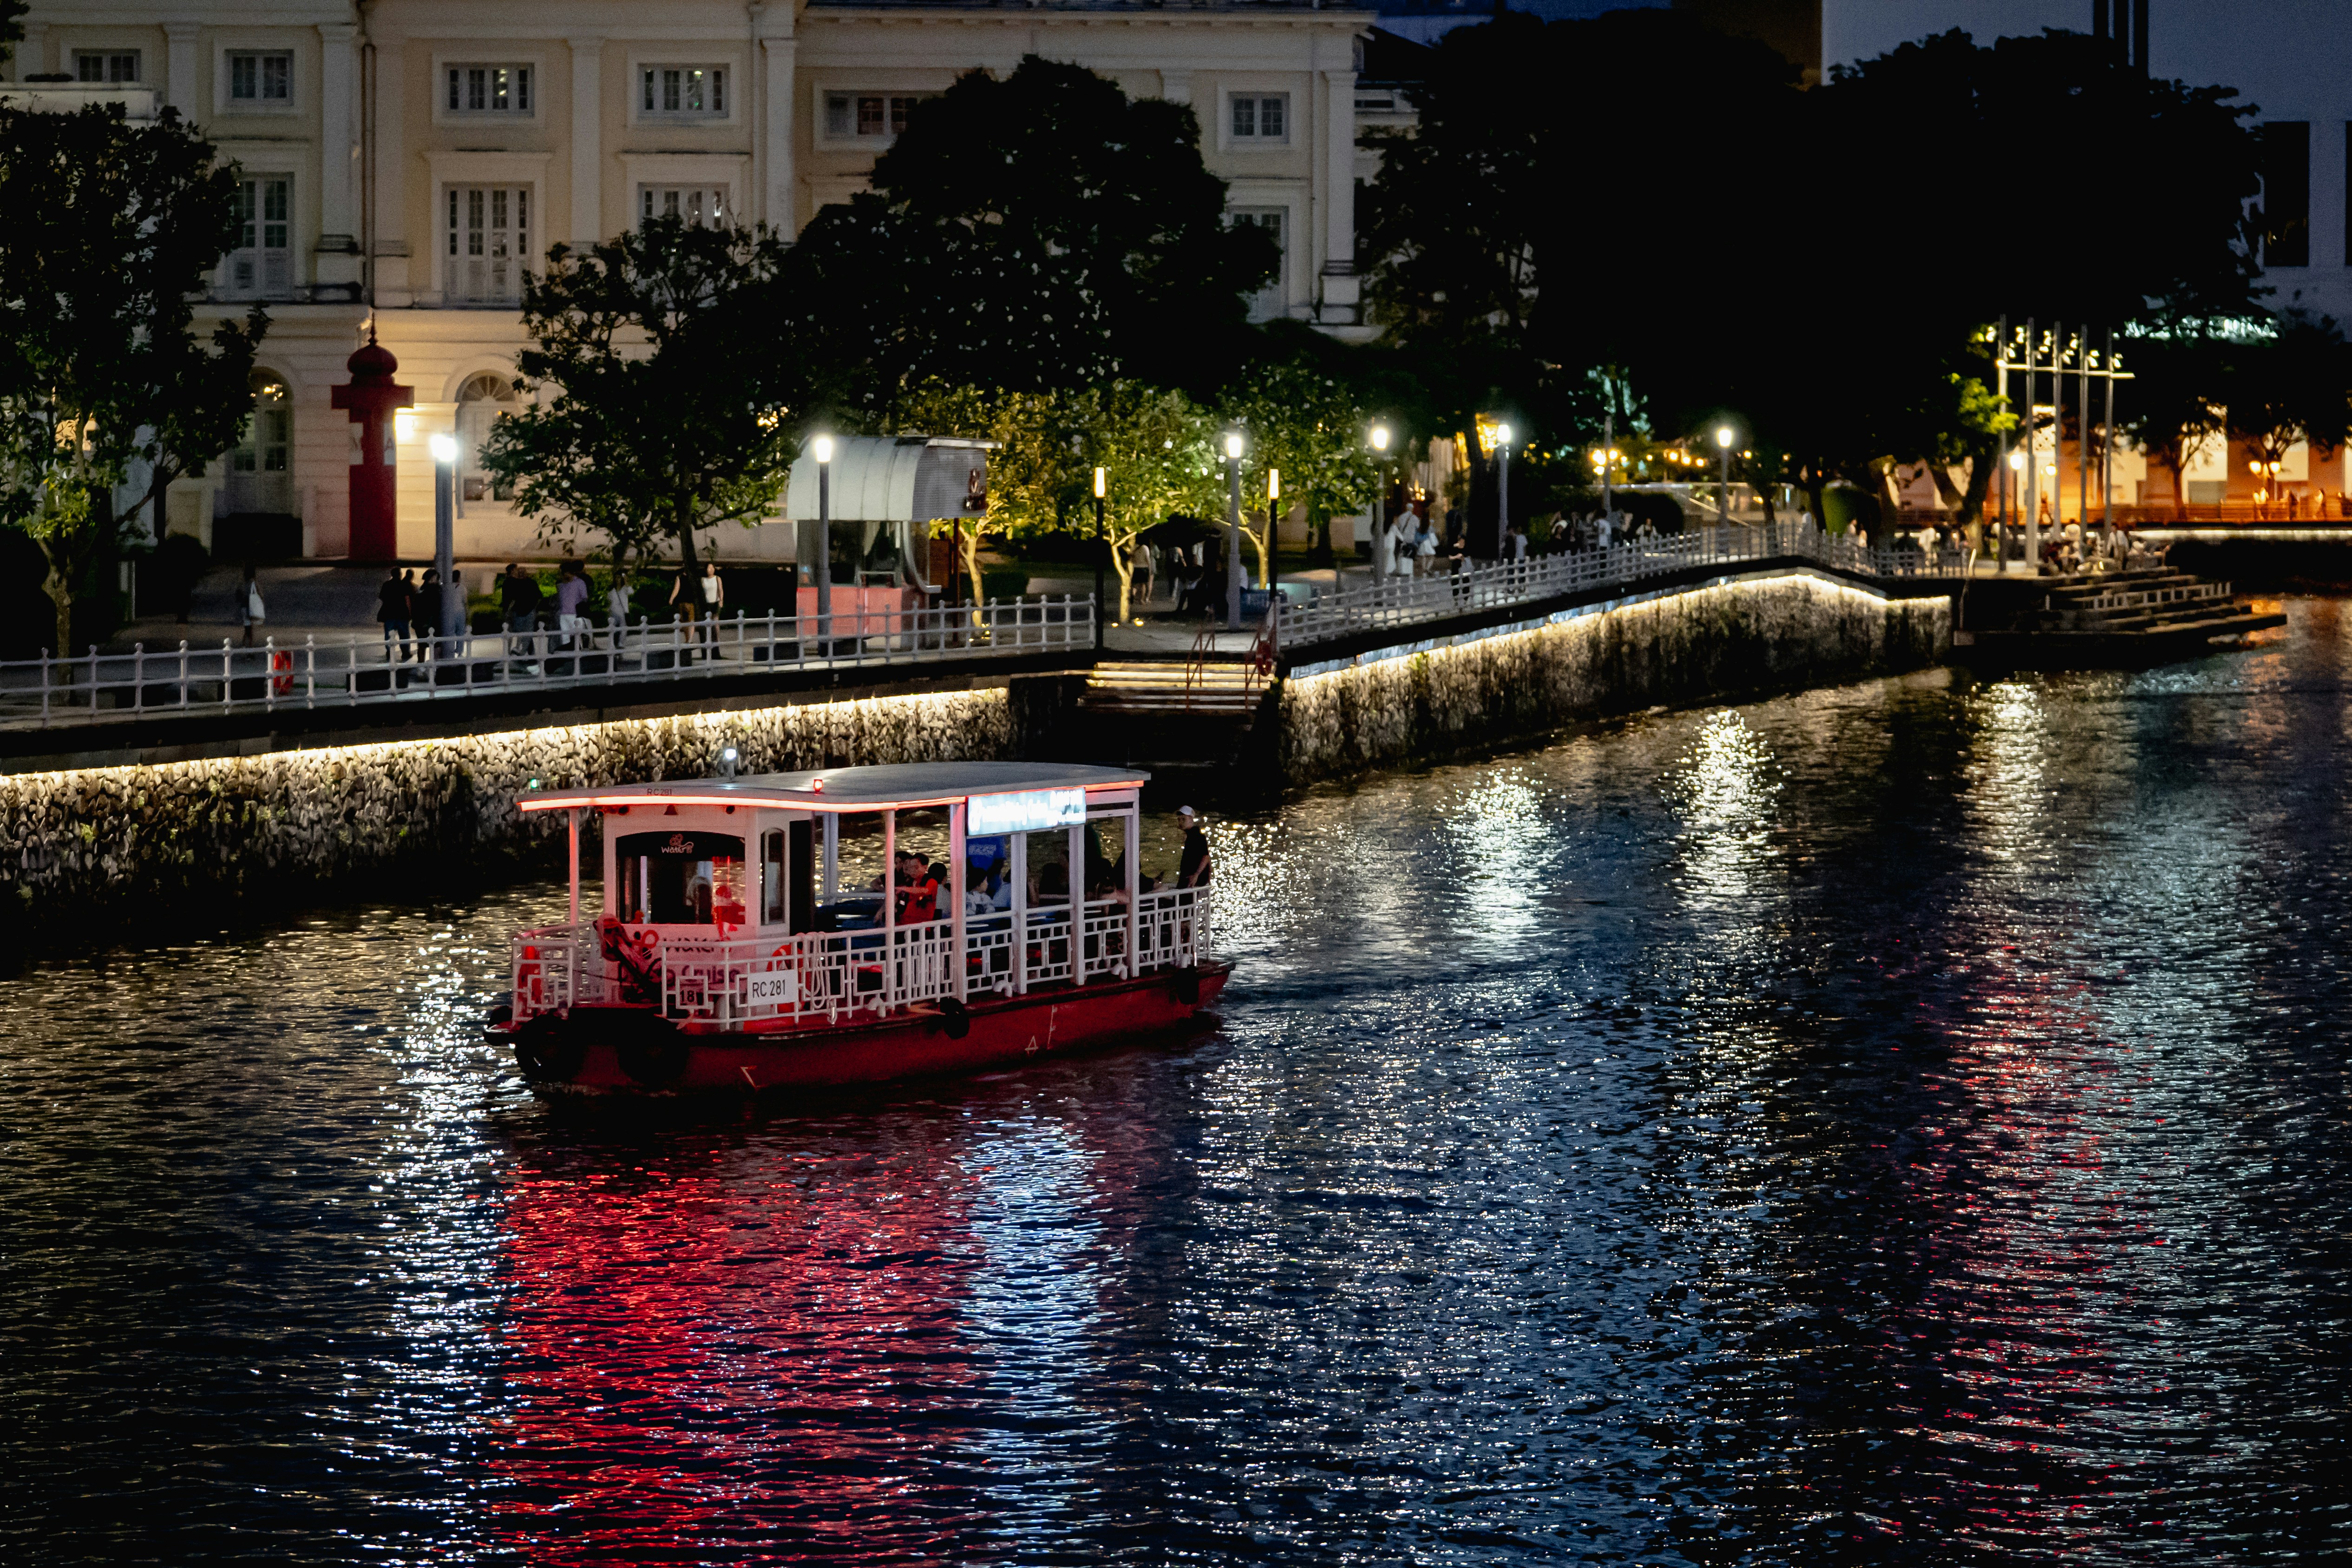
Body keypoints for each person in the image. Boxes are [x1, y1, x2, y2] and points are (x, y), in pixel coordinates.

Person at [553, 559, 590, 650]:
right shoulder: (561, 585)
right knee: (565, 638)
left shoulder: (580, 583)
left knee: (576, 637)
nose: (561, 575)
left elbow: (585, 598)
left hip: (575, 614)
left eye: (563, 573)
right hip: (564, 614)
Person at [377, 566, 412, 662]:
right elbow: (407, 600)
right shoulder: (403, 585)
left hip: (389, 614)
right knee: (404, 635)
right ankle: (405, 652)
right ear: (400, 574)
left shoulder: (386, 585)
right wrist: (410, 612)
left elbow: (382, 598)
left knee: (389, 635)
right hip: (402, 613)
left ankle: (389, 651)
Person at [1177, 806, 1212, 889]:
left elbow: (1206, 857)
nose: (1181, 822)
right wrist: (1209, 872)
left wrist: (1197, 874)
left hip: (1191, 878)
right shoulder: (1192, 835)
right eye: (1179, 820)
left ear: (1191, 819)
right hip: (1191, 877)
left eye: (1184, 819)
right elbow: (1207, 856)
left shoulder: (1196, 836)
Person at [412, 567, 443, 658]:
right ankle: (434, 665)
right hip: (434, 622)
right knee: (436, 644)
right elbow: (438, 607)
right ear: (433, 578)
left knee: (422, 644)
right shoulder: (437, 591)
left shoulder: (420, 591)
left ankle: (421, 666)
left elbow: (415, 608)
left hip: (420, 623)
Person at [238, 563, 263, 648]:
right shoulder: (253, 583)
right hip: (251, 607)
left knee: (247, 628)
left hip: (244, 607)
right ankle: (249, 648)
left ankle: (245, 646)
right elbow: (260, 594)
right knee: (250, 630)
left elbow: (239, 594)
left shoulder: (242, 582)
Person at [606, 573, 633, 651]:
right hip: (614, 611)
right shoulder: (612, 590)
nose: (618, 580)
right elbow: (609, 601)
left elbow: (631, 592)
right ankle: (612, 643)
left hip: (622, 611)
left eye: (619, 578)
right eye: (616, 578)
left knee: (623, 627)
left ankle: (621, 643)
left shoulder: (624, 589)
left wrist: (626, 581)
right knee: (612, 628)